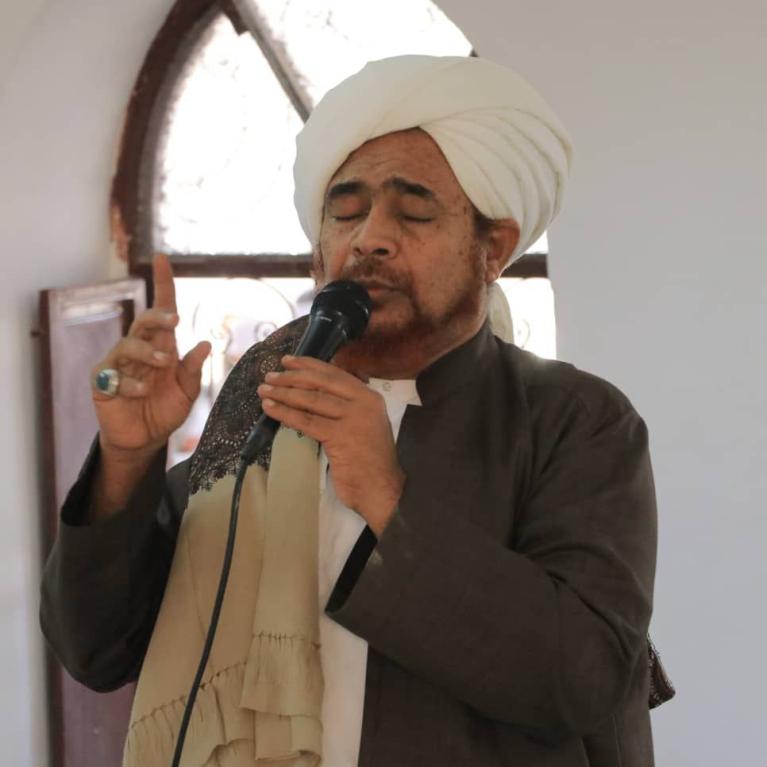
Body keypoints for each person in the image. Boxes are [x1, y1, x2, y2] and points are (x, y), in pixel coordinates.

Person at [40, 55, 672, 767]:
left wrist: (387, 495)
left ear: (492, 249)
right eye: (345, 212)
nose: (369, 236)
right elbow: (96, 650)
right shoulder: (261, 404)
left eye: (413, 211)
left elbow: (585, 679)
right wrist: (127, 461)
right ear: (318, 255)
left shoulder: (573, 418)